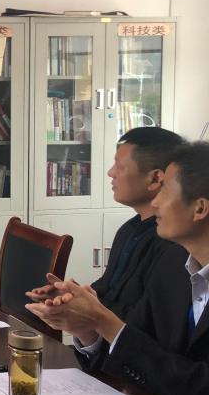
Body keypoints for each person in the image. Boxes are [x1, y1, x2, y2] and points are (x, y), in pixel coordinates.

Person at [25, 141, 209, 395]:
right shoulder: (173, 264)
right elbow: (134, 348)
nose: (155, 202)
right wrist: (85, 329)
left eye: (165, 191)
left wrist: (103, 321)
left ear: (200, 208)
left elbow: (201, 391)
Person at [31, 127, 185, 320]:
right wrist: (72, 295)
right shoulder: (129, 230)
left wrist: (87, 310)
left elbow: (147, 320)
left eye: (119, 167)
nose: (110, 173)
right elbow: (107, 288)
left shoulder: (172, 245)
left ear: (155, 178)